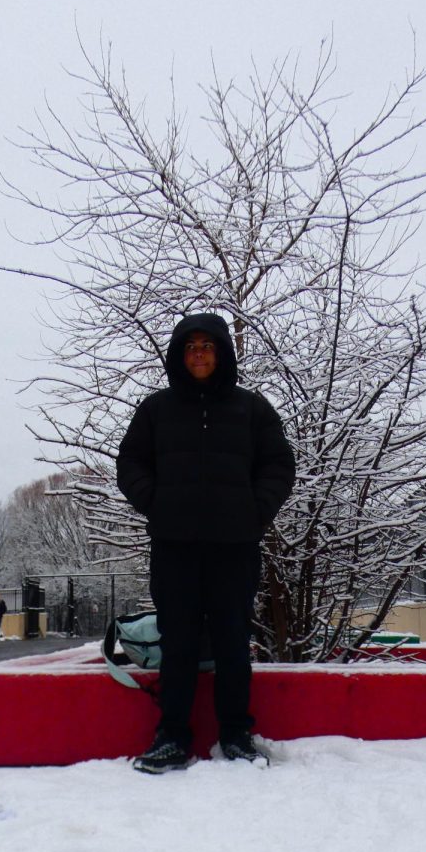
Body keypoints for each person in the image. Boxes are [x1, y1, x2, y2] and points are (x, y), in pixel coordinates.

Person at [116, 312, 295, 773]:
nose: (199, 353)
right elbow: (130, 463)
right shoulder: (156, 410)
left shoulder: (251, 409)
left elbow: (278, 464)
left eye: (207, 346)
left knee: (233, 640)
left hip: (234, 547)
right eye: (190, 346)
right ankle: (171, 737)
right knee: (178, 641)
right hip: (174, 547)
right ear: (178, 354)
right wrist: (156, 502)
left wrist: (255, 511)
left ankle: (236, 735)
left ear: (222, 353)